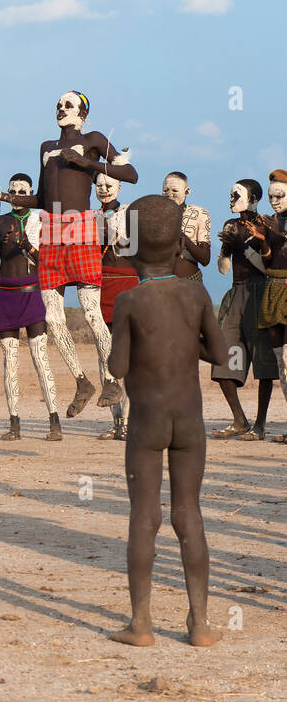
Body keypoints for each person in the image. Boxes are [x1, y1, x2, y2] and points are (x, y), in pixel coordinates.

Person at [106, 195, 225, 648]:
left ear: (130, 248)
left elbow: (118, 368)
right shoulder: (196, 293)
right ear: (180, 244)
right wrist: (182, 342)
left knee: (145, 516)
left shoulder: (130, 301)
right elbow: (216, 353)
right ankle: (199, 624)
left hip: (147, 424)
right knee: (188, 514)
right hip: (190, 425)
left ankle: (141, 624)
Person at [0, 90, 137, 418]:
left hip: (80, 228)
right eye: (59, 105)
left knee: (91, 313)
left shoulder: (93, 139)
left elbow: (130, 174)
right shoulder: (46, 148)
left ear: (83, 114)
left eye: (69, 105)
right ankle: (82, 381)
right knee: (52, 317)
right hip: (51, 231)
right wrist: (2, 196)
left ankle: (111, 378)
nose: (62, 109)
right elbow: (42, 198)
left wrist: (88, 163)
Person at [0, 173, 61, 441]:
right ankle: (14, 423)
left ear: (30, 192)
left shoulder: (40, 220)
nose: (16, 194)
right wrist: (0, 245)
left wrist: (29, 247)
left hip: (32, 292)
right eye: (12, 190)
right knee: (10, 362)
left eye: (22, 190)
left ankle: (54, 421)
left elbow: (49, 264)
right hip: (5, 294)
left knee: (41, 358)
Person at [210, 179, 275, 440]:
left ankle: (259, 425)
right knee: (224, 359)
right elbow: (223, 268)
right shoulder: (231, 225)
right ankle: (239, 419)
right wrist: (226, 249)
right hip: (235, 294)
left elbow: (268, 267)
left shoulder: (266, 225)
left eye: (237, 194)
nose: (232, 197)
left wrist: (243, 247)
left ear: (254, 198)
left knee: (264, 364)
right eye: (230, 194)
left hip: (260, 293)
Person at [96, 172, 136, 440]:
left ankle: (130, 421)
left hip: (128, 285)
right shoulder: (89, 216)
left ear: (119, 187)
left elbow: (133, 248)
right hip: (101, 287)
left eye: (109, 185)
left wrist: (113, 235)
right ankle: (116, 422)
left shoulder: (131, 214)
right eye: (99, 185)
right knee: (105, 354)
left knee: (128, 358)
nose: (104, 190)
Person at [253, 168, 287, 438]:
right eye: (272, 196)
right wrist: (264, 241)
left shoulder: (280, 224)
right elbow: (268, 261)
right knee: (280, 362)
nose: (274, 201)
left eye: (280, 196)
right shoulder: (272, 221)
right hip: (272, 288)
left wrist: (281, 234)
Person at [161, 171, 211, 282]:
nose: (169, 194)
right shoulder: (155, 215)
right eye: (165, 190)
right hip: (161, 284)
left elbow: (205, 259)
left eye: (175, 190)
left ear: (186, 192)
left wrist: (182, 237)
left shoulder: (199, 214)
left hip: (190, 281)